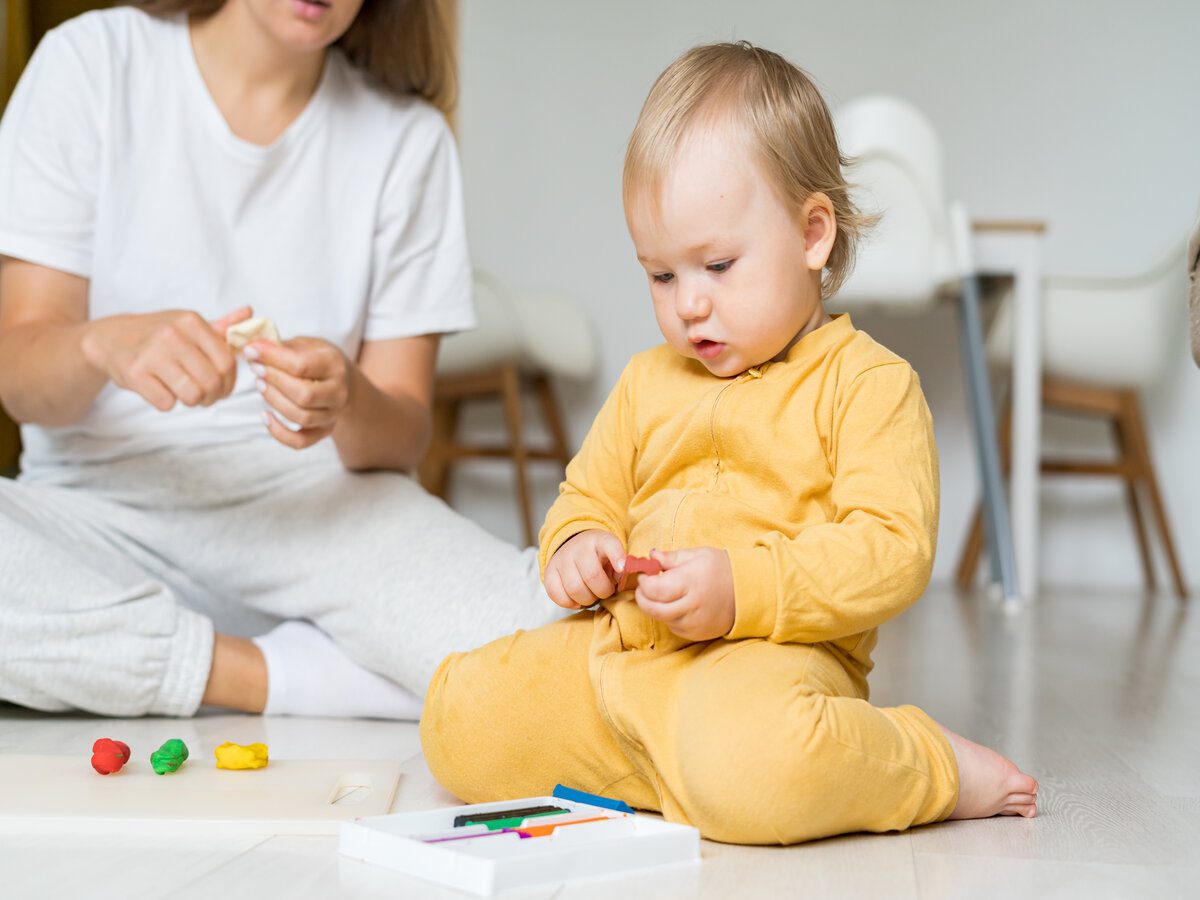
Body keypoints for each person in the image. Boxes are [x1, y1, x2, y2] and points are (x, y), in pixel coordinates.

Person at [420, 42, 1039, 844]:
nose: (689, 307)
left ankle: (927, 763)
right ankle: (671, 771)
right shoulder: (649, 380)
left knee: (761, 766)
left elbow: (892, 550)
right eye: (661, 275)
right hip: (620, 655)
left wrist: (744, 587)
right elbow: (587, 496)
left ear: (813, 234)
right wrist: (576, 545)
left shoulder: (868, 383)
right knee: (455, 719)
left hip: (765, 663)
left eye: (716, 264)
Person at [0, 0, 557, 720]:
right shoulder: (91, 63)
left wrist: (350, 400)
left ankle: (119, 660)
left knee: (551, 658)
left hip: (322, 518)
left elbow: (405, 432)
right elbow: (19, 377)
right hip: (96, 517)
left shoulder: (407, 141)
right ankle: (271, 676)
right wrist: (98, 344)